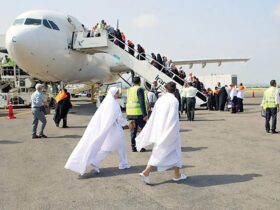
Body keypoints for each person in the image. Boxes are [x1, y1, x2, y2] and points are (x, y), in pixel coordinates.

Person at [65, 87, 131, 176]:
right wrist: (127, 123)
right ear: (114, 94)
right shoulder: (115, 104)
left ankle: (122, 163)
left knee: (114, 146)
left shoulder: (106, 103)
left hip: (107, 129)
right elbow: (119, 119)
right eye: (118, 93)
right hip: (114, 129)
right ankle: (101, 161)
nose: (119, 94)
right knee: (113, 147)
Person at [136, 82, 187, 184]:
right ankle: (146, 172)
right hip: (170, 131)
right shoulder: (174, 101)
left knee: (172, 152)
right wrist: (171, 132)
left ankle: (177, 175)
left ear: (166, 89)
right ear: (175, 89)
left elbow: (155, 115)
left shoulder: (161, 99)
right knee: (161, 152)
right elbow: (172, 118)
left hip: (159, 129)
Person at [126, 77, 148, 152]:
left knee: (133, 131)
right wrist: (145, 114)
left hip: (130, 113)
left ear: (132, 82)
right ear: (139, 82)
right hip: (138, 114)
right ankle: (140, 146)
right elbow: (142, 102)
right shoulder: (140, 89)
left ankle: (133, 147)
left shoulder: (129, 90)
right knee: (144, 130)